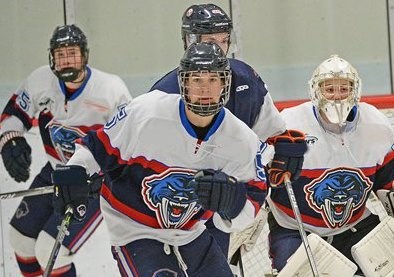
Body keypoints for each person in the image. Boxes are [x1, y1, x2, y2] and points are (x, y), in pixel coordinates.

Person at [49, 42, 275, 276]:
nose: (205, 89)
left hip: (190, 232)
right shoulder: (146, 112)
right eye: (197, 80)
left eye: (213, 80)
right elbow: (97, 147)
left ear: (224, 85)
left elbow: (255, 196)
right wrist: (75, 171)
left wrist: (234, 203)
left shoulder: (241, 139)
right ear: (184, 83)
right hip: (134, 229)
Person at [150, 3, 293, 258]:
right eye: (210, 41)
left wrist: (280, 156)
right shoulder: (163, 94)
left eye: (223, 40)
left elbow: (273, 134)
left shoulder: (246, 80)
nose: (218, 48)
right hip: (179, 206)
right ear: (190, 41)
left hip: (229, 201)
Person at [0, 24, 132, 276]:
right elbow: (14, 114)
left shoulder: (110, 90)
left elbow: (131, 141)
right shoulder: (41, 81)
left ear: (84, 55)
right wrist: (11, 139)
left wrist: (109, 177)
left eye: (72, 53)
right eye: (60, 55)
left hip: (93, 183)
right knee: (21, 240)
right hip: (54, 171)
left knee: (52, 250)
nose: (67, 61)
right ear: (52, 59)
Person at [266, 55, 394, 274]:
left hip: (355, 227)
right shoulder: (289, 125)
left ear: (356, 91)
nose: (337, 98)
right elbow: (258, 177)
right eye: (330, 90)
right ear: (316, 92)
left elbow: (388, 181)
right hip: (297, 230)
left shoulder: (376, 125)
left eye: (344, 89)